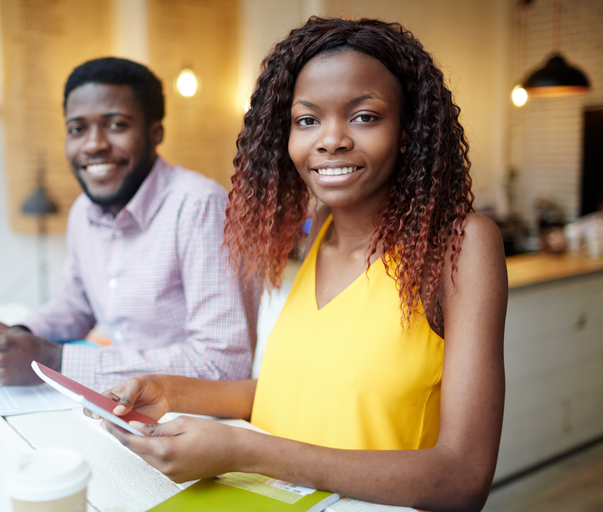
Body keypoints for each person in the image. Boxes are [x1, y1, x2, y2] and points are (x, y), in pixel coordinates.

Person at [91, 18, 508, 512]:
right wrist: (168, 389)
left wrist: (248, 450)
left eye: (364, 116)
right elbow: (297, 390)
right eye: (307, 120)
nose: (330, 140)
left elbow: (463, 478)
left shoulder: (461, 245)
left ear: (408, 129)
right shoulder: (321, 236)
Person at [0, 58, 258, 389]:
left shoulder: (199, 206)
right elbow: (75, 306)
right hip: (121, 403)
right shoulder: (83, 211)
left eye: (117, 125)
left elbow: (224, 363)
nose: (93, 144)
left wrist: (56, 361)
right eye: (77, 129)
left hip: (193, 418)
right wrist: (18, 334)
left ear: (155, 133)